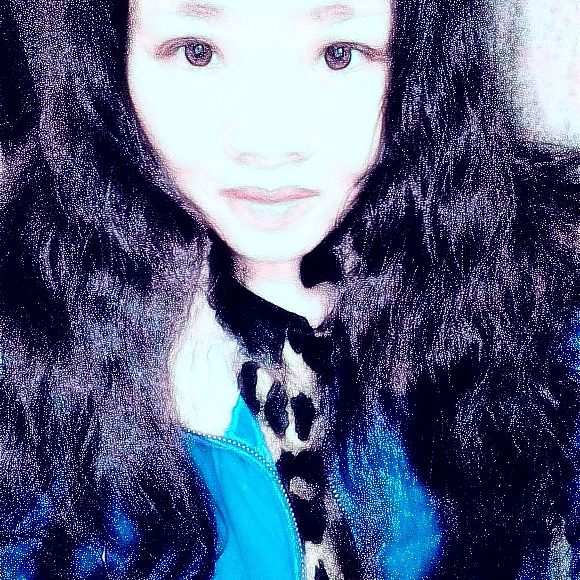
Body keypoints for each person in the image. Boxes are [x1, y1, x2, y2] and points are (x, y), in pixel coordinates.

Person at [1, 0, 580, 578]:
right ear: (108, 60)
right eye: (197, 53)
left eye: (338, 55)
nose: (269, 142)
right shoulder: (29, 333)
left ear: (425, 64)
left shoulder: (543, 289)